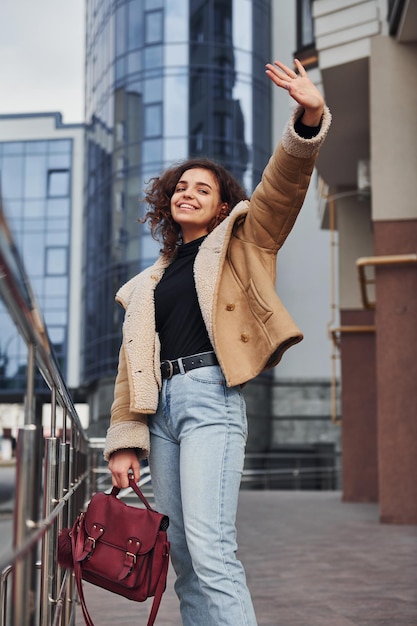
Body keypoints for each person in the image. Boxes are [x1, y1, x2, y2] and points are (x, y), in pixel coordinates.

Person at [104, 59, 331, 625]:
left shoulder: (244, 240)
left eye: (202, 189)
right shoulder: (148, 282)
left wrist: (310, 114)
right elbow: (131, 369)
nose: (187, 193)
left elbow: (281, 188)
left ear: (222, 205)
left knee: (210, 549)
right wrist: (124, 442)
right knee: (182, 556)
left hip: (210, 400)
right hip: (161, 412)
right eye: (180, 187)